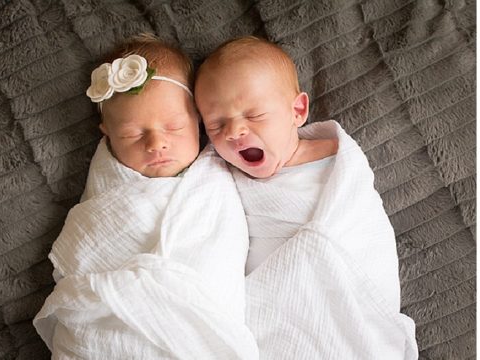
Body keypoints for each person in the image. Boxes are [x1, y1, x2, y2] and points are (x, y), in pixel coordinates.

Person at [34, 34, 258, 359]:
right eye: (132, 134)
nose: (156, 144)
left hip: (203, 327)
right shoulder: (106, 192)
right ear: (107, 135)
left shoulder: (215, 178)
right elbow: (86, 248)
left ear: (197, 120)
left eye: (174, 127)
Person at [195, 36, 418, 359]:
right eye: (216, 124)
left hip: (349, 308)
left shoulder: (337, 160)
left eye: (253, 115)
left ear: (297, 111)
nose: (233, 132)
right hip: (277, 320)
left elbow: (364, 233)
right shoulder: (225, 179)